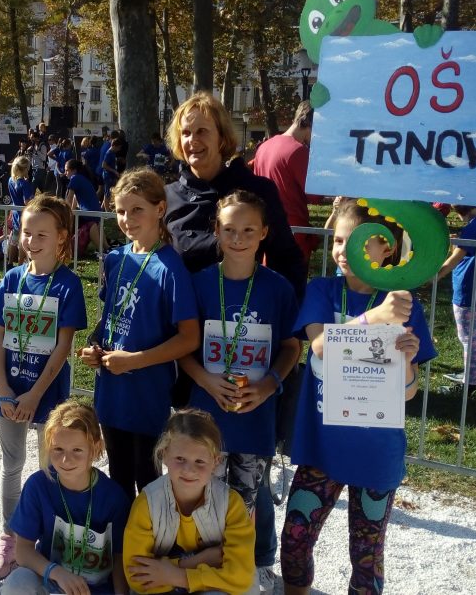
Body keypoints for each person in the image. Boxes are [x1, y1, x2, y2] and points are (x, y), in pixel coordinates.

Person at [279, 201, 435, 595]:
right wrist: (374, 318)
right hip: (322, 447)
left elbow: (410, 393)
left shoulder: (403, 304)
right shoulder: (322, 290)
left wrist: (408, 362)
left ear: (387, 249)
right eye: (338, 240)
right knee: (295, 540)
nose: (342, 251)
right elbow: (317, 346)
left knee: (366, 555)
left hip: (375, 452)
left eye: (357, 243)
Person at [178, 191, 300, 593]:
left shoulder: (278, 289)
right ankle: (201, 565)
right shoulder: (198, 285)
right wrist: (204, 379)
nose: (238, 238)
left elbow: (291, 346)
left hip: (254, 417)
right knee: (202, 497)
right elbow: (182, 348)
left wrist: (269, 384)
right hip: (205, 418)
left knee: (246, 500)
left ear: (264, 232)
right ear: (216, 231)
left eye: (249, 230)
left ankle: (249, 563)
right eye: (229, 229)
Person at [0, 195, 89, 581]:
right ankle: (10, 537)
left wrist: (35, 394)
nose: (31, 240)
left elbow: (63, 346)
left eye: (42, 234)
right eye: (27, 232)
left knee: (52, 468)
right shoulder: (12, 278)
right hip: (11, 390)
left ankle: (46, 541)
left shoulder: (68, 285)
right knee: (11, 465)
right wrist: (3, 388)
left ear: (62, 237)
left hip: (47, 395)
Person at [80, 169, 200, 499]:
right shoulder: (115, 259)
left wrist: (136, 360)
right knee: (117, 475)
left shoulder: (170, 267)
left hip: (147, 394)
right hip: (111, 390)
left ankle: (151, 547)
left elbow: (189, 338)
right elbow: (107, 321)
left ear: (159, 209)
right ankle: (121, 547)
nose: (127, 219)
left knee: (146, 479)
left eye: (137, 210)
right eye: (120, 211)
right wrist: (93, 347)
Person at [165, 92, 306, 299]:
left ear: (222, 137)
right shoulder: (168, 196)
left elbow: (285, 258)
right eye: (186, 133)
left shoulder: (258, 190)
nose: (192, 140)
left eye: (202, 131)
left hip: (241, 315)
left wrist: (289, 319)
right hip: (182, 317)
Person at [0, 400, 130, 595]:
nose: (65, 460)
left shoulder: (114, 496)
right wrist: (56, 572)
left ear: (95, 448)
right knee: (16, 584)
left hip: (96, 588)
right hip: (51, 578)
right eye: (58, 449)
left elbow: (120, 557)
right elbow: (23, 551)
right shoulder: (38, 485)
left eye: (77, 450)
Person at [123, 409, 256, 595]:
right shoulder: (147, 504)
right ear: (164, 455)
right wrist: (195, 562)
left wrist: (175, 575)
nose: (189, 470)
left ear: (215, 461)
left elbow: (241, 575)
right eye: (180, 459)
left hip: (204, 588)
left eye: (200, 461)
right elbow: (136, 577)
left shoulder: (231, 504)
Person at [436, 205, 476, 396]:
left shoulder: (472, 228)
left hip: (467, 288)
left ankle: (469, 383)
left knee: (467, 337)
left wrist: (436, 276)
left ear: (460, 212)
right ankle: (471, 372)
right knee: (474, 334)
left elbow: (455, 258)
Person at [251, 101, 324, 266]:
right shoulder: (299, 151)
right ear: (309, 124)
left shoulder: (264, 146)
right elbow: (315, 196)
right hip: (293, 233)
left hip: (265, 228)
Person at [0, 156, 36, 261]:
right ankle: (21, 262)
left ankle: (10, 262)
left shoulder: (11, 180)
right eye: (28, 167)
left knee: (14, 239)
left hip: (15, 212)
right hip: (24, 214)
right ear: (25, 168)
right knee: (23, 240)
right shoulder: (24, 184)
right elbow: (27, 202)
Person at [64, 158, 103, 255]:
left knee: (87, 224)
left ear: (74, 170)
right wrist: (71, 212)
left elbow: (68, 200)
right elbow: (74, 201)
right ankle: (105, 247)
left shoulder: (75, 179)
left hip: (88, 214)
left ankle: (101, 250)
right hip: (97, 213)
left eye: (67, 170)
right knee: (95, 224)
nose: (65, 173)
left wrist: (64, 214)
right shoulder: (82, 178)